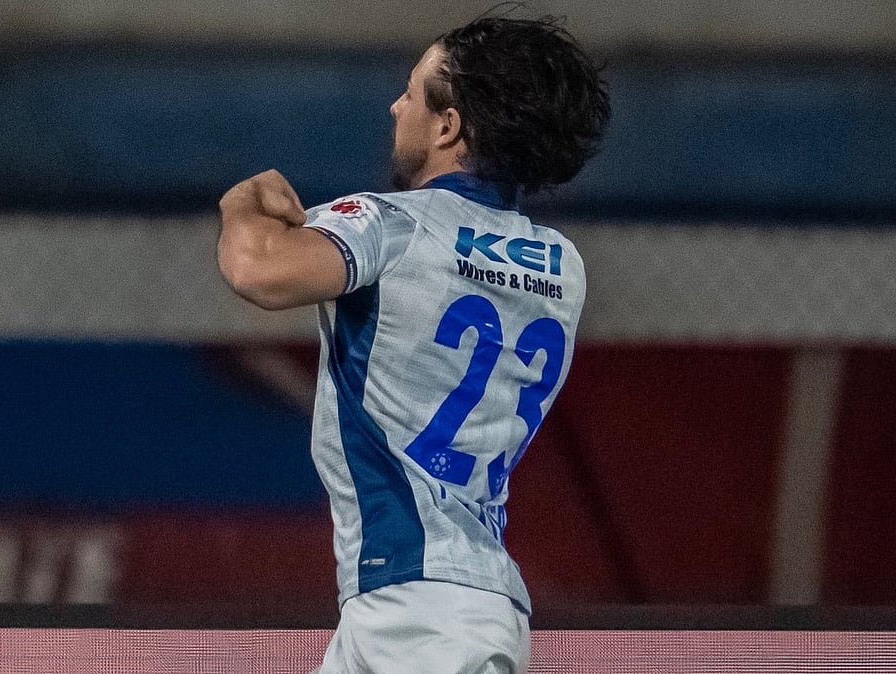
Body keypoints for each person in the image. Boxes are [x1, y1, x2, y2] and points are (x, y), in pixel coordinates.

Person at [217, 13, 609, 674]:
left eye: (412, 92)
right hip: (435, 601)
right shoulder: (561, 266)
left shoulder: (389, 225)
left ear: (448, 125)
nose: (395, 106)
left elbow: (256, 270)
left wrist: (242, 202)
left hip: (422, 613)